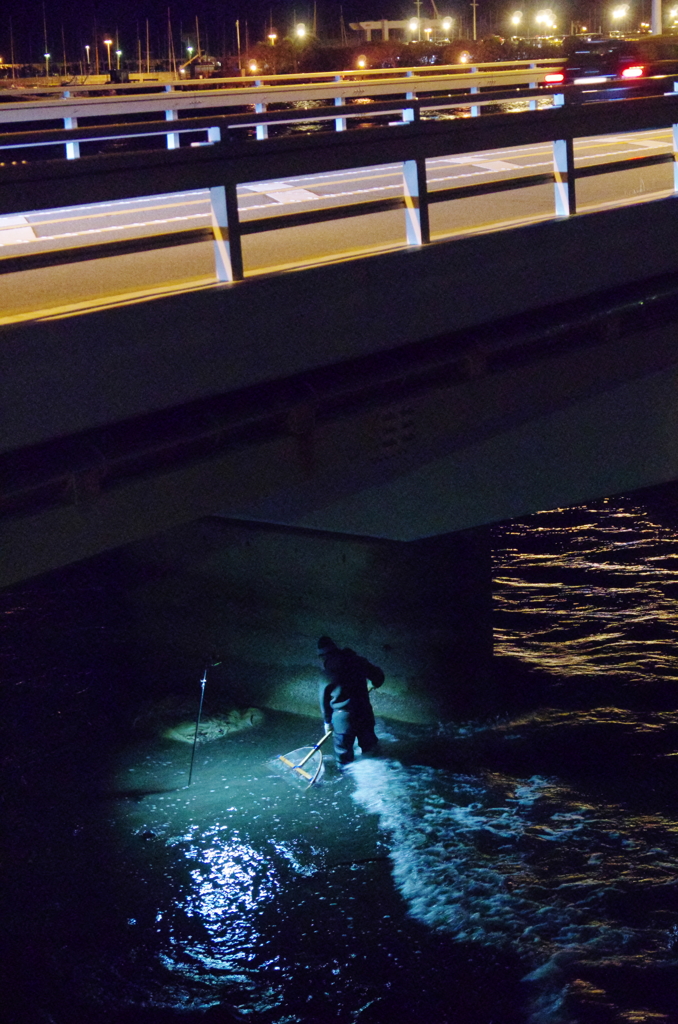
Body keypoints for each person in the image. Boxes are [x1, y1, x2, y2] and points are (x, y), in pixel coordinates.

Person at [317, 636, 385, 767]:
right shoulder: (358, 662)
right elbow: (379, 676)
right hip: (364, 713)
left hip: (343, 719)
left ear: (323, 655)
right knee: (371, 750)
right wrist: (373, 684)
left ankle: (348, 782)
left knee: (344, 760)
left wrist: (327, 723)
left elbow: (324, 701)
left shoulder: (327, 673)